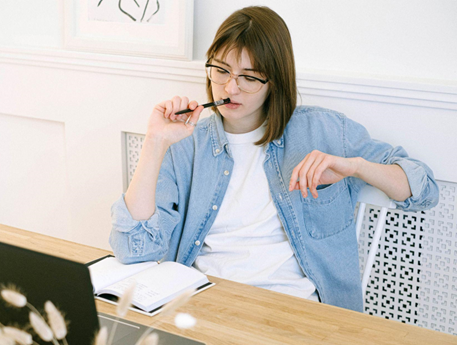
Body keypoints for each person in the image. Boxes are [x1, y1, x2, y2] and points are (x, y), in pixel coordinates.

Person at [109, 6, 439, 312]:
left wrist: (356, 167)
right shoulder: (186, 143)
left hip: (296, 310)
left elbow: (423, 190)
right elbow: (134, 249)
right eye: (220, 71)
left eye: (249, 77)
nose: (230, 88)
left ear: (274, 81)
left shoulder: (323, 130)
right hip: (206, 303)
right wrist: (155, 142)